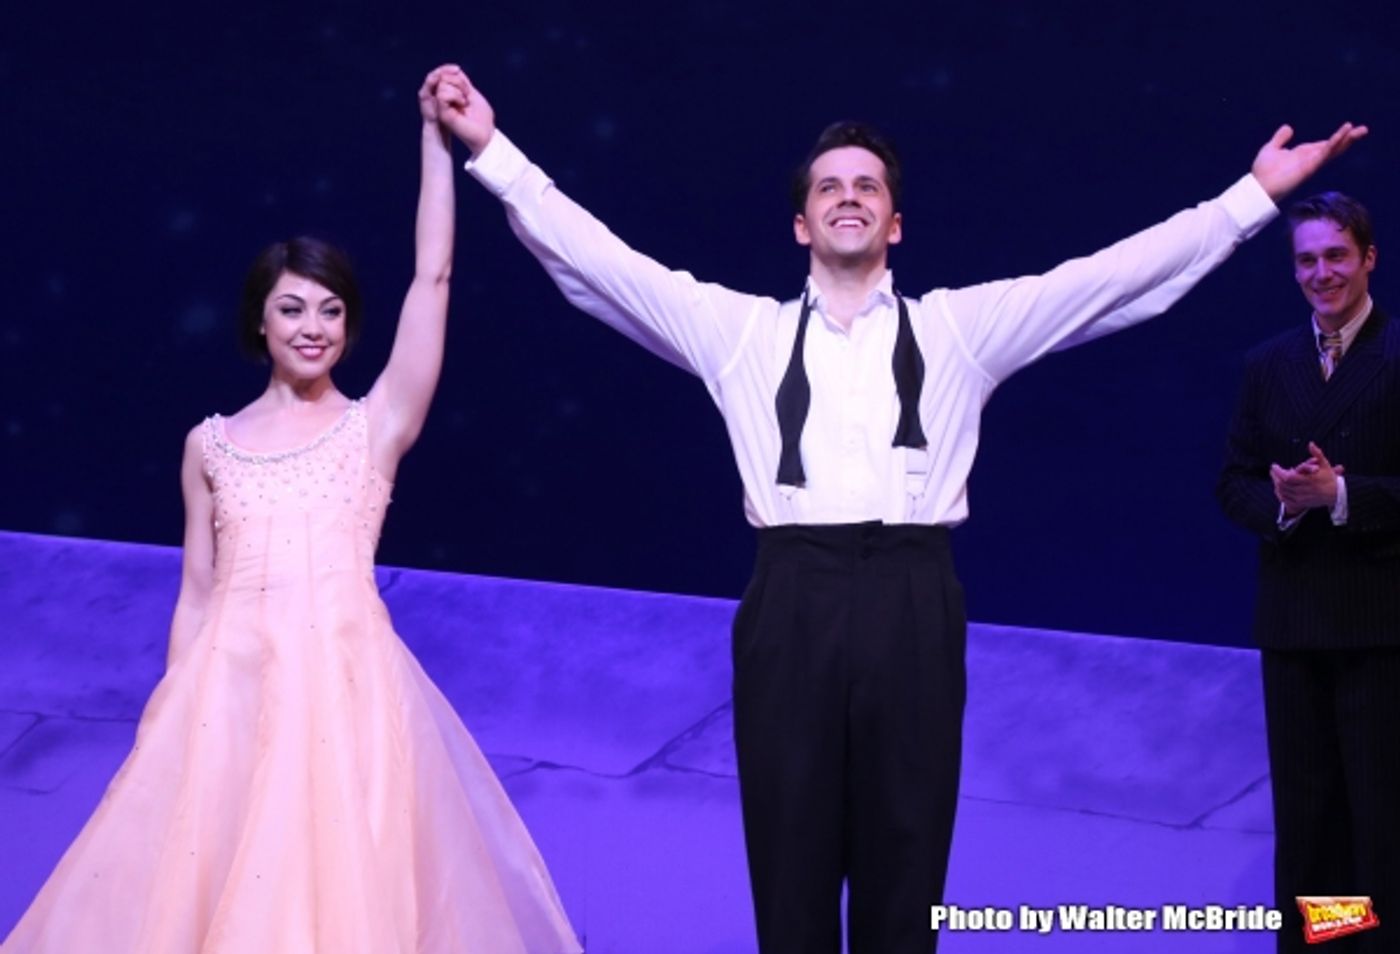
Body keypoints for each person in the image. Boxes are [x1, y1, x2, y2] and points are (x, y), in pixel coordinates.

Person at [437, 71, 1363, 954]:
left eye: (868, 186)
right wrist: (492, 150)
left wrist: (1251, 198)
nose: (850, 196)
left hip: (914, 598)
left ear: (897, 221)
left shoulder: (957, 332)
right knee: (790, 857)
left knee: (908, 855)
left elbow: (1105, 281)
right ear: (800, 223)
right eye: (831, 187)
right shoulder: (739, 334)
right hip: (791, 598)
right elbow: (602, 261)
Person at [2, 65, 580, 954]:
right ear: (261, 324)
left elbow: (433, 278)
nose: (314, 326)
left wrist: (435, 142)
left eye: (332, 310)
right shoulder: (211, 445)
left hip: (348, 693)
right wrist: (170, 712)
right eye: (293, 309)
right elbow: (197, 591)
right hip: (228, 695)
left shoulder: (374, 426)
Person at [1217, 192, 1398, 953]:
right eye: (1306, 260)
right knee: (1310, 809)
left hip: (1382, 625)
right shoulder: (1269, 364)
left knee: (1380, 811)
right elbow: (1234, 481)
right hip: (1294, 624)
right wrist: (1287, 504)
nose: (1321, 273)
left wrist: (1343, 494)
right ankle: (1325, 943)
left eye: (1335, 256)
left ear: (1367, 259)